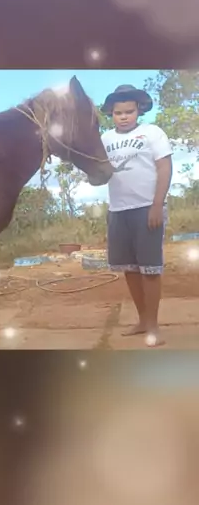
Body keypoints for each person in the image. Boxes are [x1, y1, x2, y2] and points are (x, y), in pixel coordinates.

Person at [100, 84, 173, 347]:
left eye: (129, 111)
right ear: (111, 113)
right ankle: (142, 320)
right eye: (118, 113)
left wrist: (157, 205)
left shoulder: (152, 133)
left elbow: (164, 168)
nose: (124, 117)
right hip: (118, 211)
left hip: (146, 208)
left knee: (150, 269)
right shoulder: (105, 139)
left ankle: (153, 325)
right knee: (129, 269)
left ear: (139, 110)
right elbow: (99, 172)